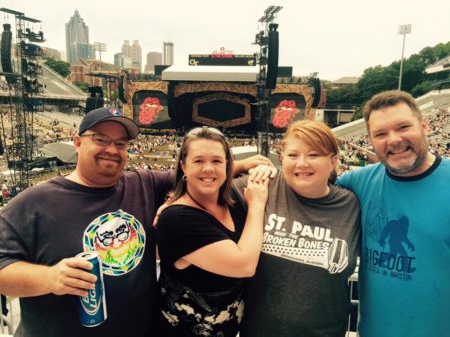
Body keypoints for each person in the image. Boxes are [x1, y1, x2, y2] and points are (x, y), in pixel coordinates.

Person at [0, 107, 271, 337]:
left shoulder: (142, 183)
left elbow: (198, 175)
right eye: (101, 139)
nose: (112, 149)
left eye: (121, 143)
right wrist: (49, 278)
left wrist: (246, 166)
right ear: (78, 142)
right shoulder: (33, 202)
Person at [337, 90, 450, 337]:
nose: (394, 140)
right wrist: (250, 167)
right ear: (370, 139)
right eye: (380, 133)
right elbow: (305, 187)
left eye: (403, 127)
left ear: (424, 125)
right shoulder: (358, 181)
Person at [236, 120, 361, 337]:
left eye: (313, 155)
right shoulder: (261, 184)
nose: (302, 164)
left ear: (333, 161)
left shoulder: (352, 205)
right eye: (293, 156)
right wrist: (240, 165)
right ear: (282, 159)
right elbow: (201, 181)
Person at [156, 126, 269, 337]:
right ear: (183, 166)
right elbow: (244, 265)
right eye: (198, 161)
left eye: (217, 161)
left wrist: (263, 169)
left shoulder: (231, 203)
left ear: (227, 165)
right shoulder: (176, 219)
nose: (208, 168)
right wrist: (257, 205)